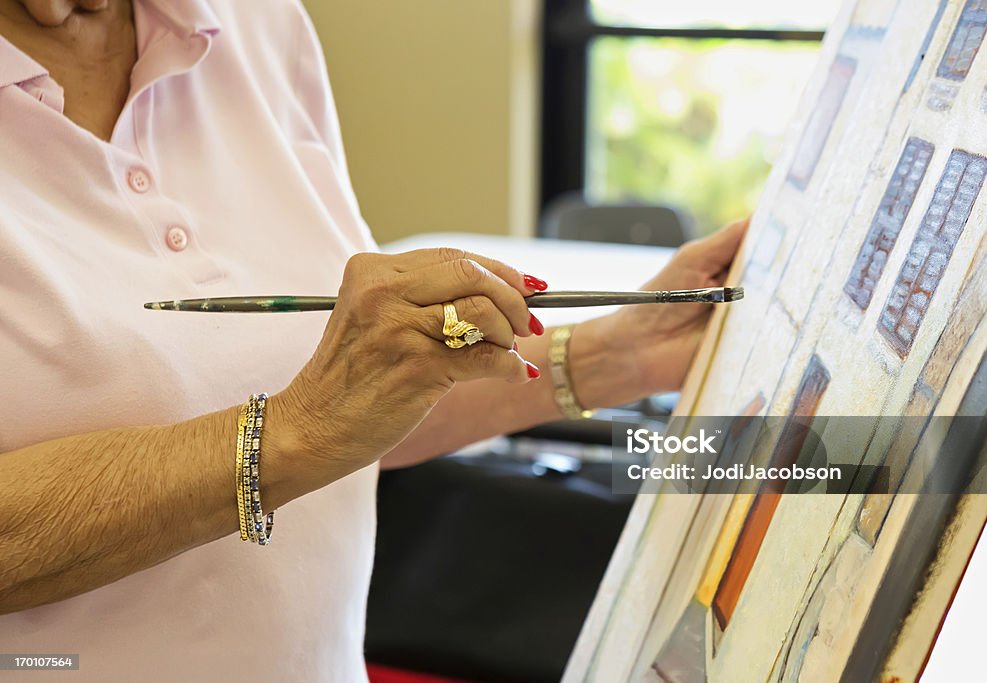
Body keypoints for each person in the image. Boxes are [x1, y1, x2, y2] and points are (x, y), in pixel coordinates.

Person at [0, 0, 747, 680]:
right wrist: (293, 431)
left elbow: (360, 413)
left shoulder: (257, 25)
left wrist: (615, 354)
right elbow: (318, 422)